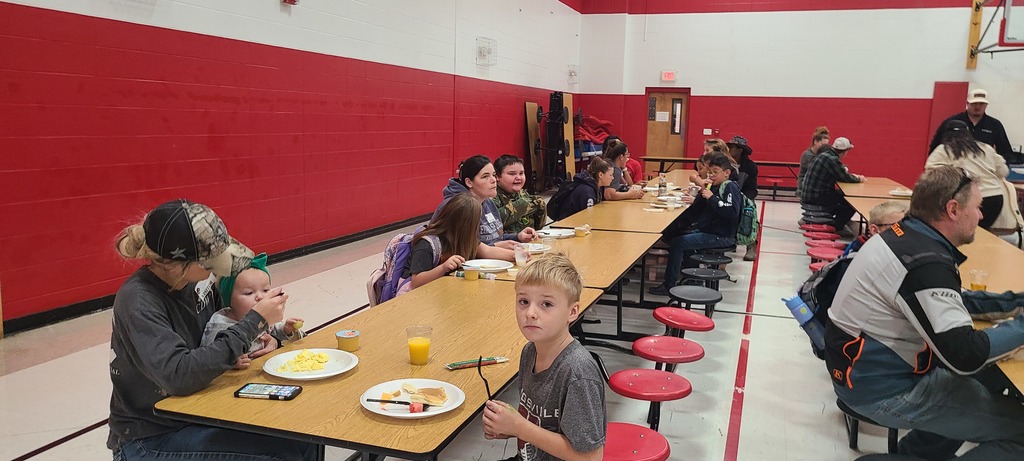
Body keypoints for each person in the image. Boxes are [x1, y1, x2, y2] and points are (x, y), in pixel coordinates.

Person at [825, 166, 1024, 460]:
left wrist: (1013, 301)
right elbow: (965, 356)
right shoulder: (924, 261)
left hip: (861, 375)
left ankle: (916, 454)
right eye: (978, 208)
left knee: (993, 376)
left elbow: (948, 300)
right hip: (884, 391)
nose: (981, 216)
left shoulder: (904, 237)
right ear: (953, 209)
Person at [108, 199, 316, 461]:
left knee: (302, 439)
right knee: (281, 455)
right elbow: (179, 375)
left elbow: (227, 327)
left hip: (199, 410)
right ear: (176, 263)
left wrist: (267, 337)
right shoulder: (139, 301)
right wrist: (254, 323)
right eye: (209, 263)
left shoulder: (195, 281)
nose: (214, 270)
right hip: (150, 436)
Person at [482, 253, 606, 461]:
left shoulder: (577, 372)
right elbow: (540, 424)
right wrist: (510, 427)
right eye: (523, 301)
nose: (530, 313)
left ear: (572, 312)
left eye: (546, 304)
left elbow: (591, 457)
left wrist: (520, 428)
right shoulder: (529, 352)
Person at [650, 153, 741, 296]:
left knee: (678, 243)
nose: (711, 176)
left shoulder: (730, 187)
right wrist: (700, 194)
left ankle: (669, 285)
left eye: (715, 172)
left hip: (721, 236)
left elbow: (731, 212)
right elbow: (699, 209)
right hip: (708, 230)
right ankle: (693, 277)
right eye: (710, 172)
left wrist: (712, 198)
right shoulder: (714, 185)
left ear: (727, 173)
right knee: (676, 235)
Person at [201, 253, 305, 362]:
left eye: (265, 290)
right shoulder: (219, 325)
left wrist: (285, 329)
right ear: (229, 299)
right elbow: (210, 359)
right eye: (249, 293)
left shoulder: (265, 317)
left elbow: (273, 329)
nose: (260, 297)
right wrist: (231, 363)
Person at [433, 155, 535, 252]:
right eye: (485, 176)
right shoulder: (459, 206)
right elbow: (461, 249)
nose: (493, 180)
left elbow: (495, 237)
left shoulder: (488, 202)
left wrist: (517, 237)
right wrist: (495, 246)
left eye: (494, 175)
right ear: (469, 182)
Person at [926, 119, 1009, 230]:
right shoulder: (985, 148)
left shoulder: (945, 149)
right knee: (982, 233)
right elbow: (1003, 171)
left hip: (969, 199)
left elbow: (930, 171)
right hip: (995, 198)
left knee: (965, 233)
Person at [403, 193, 481, 289]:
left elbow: (488, 250)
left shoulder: (464, 240)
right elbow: (416, 282)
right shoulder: (426, 244)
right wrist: (443, 268)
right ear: (466, 225)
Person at [928, 89, 1015, 164]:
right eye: (974, 103)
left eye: (981, 104)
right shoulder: (951, 122)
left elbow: (1006, 152)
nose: (977, 107)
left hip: (983, 171)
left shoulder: (995, 125)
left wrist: (1000, 172)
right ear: (967, 103)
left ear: (986, 105)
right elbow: (935, 146)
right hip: (956, 170)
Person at [799, 136, 865, 235]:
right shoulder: (832, 159)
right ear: (845, 151)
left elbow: (840, 174)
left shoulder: (824, 155)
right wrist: (859, 179)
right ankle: (837, 227)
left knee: (842, 197)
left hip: (809, 195)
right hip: (815, 198)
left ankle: (838, 221)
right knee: (851, 200)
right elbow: (845, 177)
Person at [493, 155, 547, 234]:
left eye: (521, 173)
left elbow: (538, 226)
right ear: (497, 177)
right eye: (512, 174)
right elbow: (494, 223)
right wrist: (523, 205)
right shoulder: (492, 196)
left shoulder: (523, 193)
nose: (518, 177)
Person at [727, 135, 760, 261]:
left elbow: (752, 188)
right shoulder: (726, 164)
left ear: (740, 149)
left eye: (732, 147)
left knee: (749, 212)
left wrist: (743, 199)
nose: (729, 149)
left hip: (745, 195)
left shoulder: (750, 167)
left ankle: (751, 244)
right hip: (729, 194)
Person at [841, 200, 907, 257]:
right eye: (896, 226)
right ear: (874, 230)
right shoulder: (861, 253)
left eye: (907, 225)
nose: (904, 231)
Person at [796, 126, 830, 199]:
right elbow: (816, 170)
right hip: (805, 187)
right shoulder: (807, 155)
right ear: (815, 142)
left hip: (817, 186)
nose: (825, 147)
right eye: (823, 144)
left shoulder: (824, 154)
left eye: (826, 145)